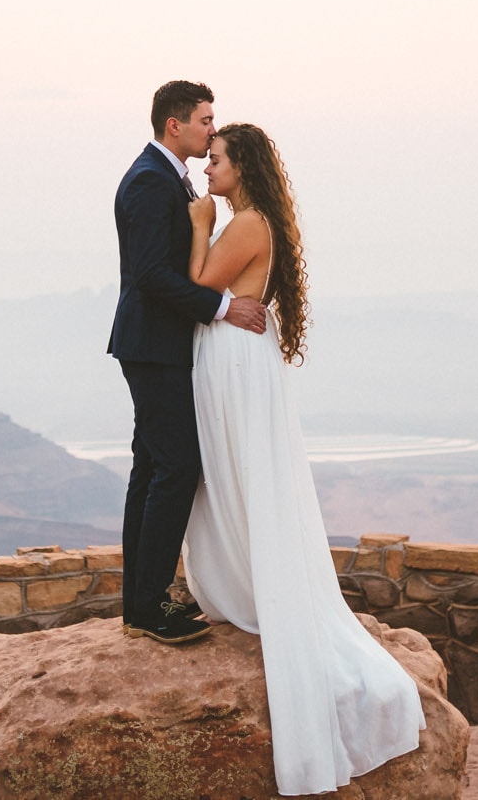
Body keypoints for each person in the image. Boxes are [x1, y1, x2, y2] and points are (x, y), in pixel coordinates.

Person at [181, 122, 425, 795]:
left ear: (245, 167)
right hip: (232, 356)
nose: (209, 170)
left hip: (234, 362)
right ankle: (241, 580)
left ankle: (254, 586)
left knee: (244, 477)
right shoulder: (256, 220)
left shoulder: (245, 223)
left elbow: (200, 279)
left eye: (218, 161)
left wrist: (199, 222)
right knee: (235, 476)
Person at [107, 80, 269, 645]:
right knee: (176, 468)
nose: (211, 129)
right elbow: (151, 276)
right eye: (205, 120)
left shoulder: (166, 179)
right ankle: (150, 606)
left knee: (153, 469)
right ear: (174, 125)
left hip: (159, 346)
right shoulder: (151, 181)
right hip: (154, 346)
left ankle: (140, 604)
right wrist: (225, 307)